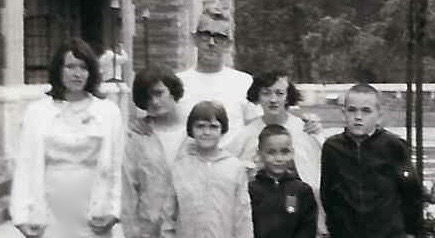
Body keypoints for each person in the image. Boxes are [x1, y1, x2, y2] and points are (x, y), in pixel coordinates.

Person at [9, 37, 124, 238]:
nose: (77, 74)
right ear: (58, 70)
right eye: (70, 66)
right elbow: (25, 167)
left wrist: (114, 210)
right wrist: (21, 216)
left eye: (83, 67)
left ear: (91, 72)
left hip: (93, 211)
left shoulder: (108, 112)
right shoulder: (37, 112)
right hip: (49, 214)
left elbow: (117, 165)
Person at [226, 70, 326, 236]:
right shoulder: (246, 134)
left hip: (300, 218)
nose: (273, 99)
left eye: (279, 93)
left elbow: (317, 176)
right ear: (257, 96)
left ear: (288, 96)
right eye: (266, 93)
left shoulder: (305, 129)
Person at [320, 84, 422, 238]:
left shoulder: (394, 146)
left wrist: (410, 231)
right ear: (343, 113)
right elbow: (327, 193)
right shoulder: (332, 148)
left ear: (379, 116)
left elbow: (411, 192)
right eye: (352, 110)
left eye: (366, 111)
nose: (358, 117)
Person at [160, 101, 253, 238]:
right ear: (191, 129)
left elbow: (243, 216)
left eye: (213, 127)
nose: (206, 132)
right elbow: (169, 216)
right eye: (200, 126)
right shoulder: (180, 167)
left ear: (223, 130)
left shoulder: (234, 168)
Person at [177, 8, 261, 148]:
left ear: (228, 44)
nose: (211, 43)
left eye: (219, 37)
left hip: (232, 166)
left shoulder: (245, 83)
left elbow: (258, 128)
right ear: (195, 39)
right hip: (188, 165)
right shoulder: (177, 83)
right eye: (205, 35)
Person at [121, 65, 186, 238]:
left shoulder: (194, 133)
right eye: (147, 97)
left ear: (173, 91)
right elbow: (127, 191)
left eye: (158, 93)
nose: (154, 102)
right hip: (149, 229)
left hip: (189, 226)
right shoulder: (135, 136)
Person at [249, 124, 317, 238]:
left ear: (292, 153)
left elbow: (307, 228)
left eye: (285, 152)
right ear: (259, 153)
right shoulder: (250, 190)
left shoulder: (302, 191)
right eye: (271, 152)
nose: (279, 158)